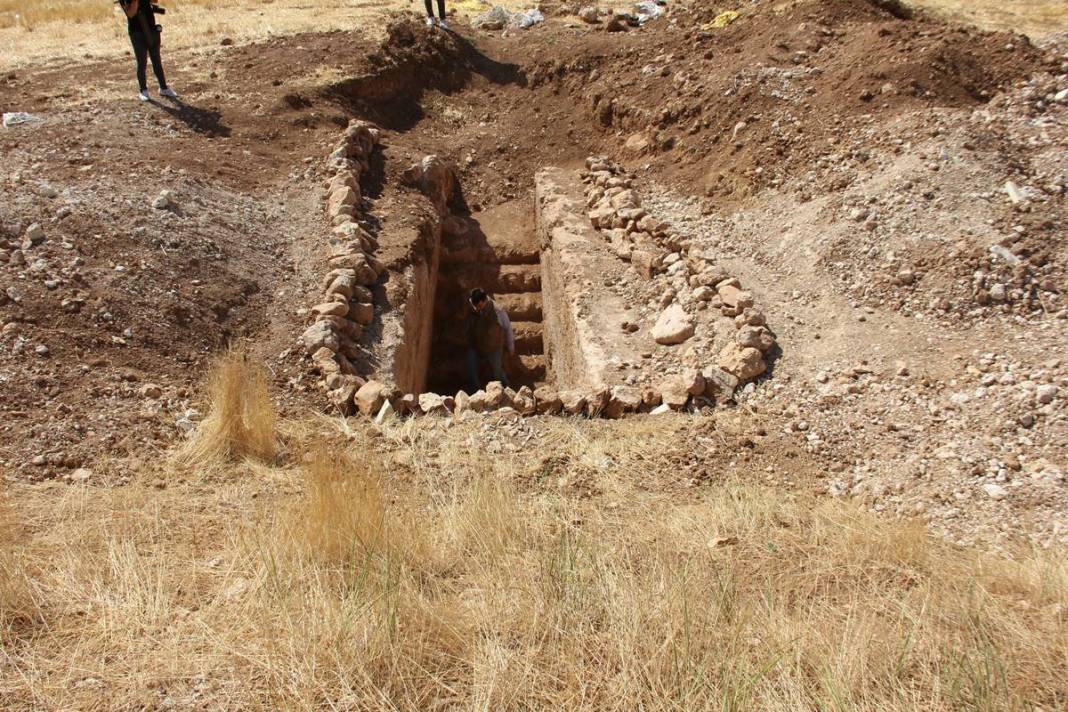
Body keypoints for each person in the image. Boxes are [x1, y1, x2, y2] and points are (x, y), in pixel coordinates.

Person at [119, 0, 177, 102]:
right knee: (142, 62)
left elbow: (155, 0)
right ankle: (143, 91)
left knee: (156, 60)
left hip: (151, 29)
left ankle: (163, 88)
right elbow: (131, 14)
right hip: (136, 33)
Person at [464, 287, 514, 393]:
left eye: (478, 306)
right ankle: (476, 394)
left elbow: (508, 328)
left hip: (494, 348)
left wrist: (511, 346)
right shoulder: (474, 304)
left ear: (484, 301)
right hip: (476, 345)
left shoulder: (498, 311)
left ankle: (508, 391)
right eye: (474, 305)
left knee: (497, 373)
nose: (476, 308)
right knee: (470, 368)